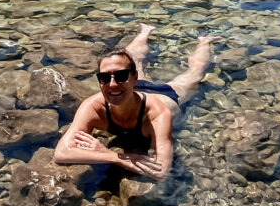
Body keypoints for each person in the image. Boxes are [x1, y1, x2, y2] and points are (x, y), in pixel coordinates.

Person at [53, 24, 217, 180]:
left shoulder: (158, 114)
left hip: (165, 96)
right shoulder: (94, 106)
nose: (112, 83)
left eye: (121, 75)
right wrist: (112, 156)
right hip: (133, 90)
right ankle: (145, 31)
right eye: (104, 77)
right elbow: (61, 152)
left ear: (134, 78)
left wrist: (104, 154)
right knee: (133, 60)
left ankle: (204, 41)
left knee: (193, 76)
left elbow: (162, 170)